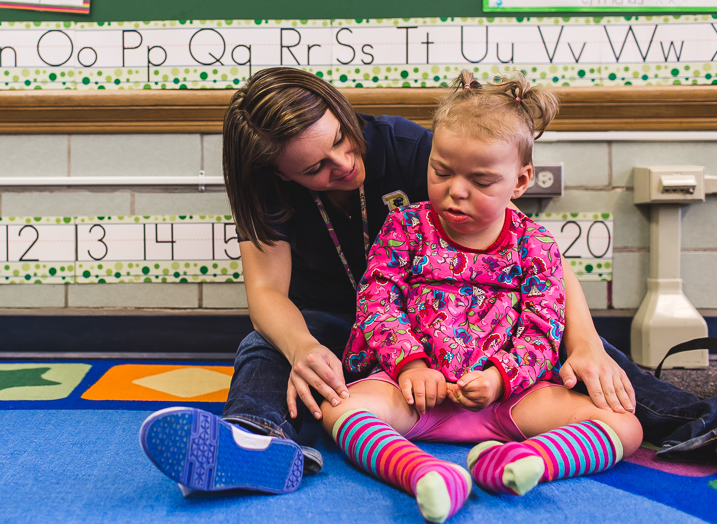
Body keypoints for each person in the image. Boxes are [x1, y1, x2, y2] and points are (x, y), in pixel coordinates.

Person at [138, 67, 716, 497]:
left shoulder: (420, 151)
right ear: (278, 175)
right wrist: (304, 348)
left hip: (478, 336)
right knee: (266, 347)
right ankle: (256, 441)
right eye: (315, 168)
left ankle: (695, 424)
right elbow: (267, 294)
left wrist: (584, 342)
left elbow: (537, 258)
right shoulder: (276, 193)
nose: (343, 164)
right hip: (355, 329)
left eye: (341, 138)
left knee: (584, 350)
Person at [319, 72, 641, 522]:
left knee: (626, 427)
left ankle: (522, 463)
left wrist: (499, 378)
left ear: (521, 181)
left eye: (482, 180)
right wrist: (411, 365)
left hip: (510, 401)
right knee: (339, 409)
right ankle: (423, 473)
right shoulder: (406, 228)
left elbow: (544, 331)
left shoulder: (536, 245)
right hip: (411, 395)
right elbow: (377, 302)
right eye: (441, 171)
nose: (456, 191)